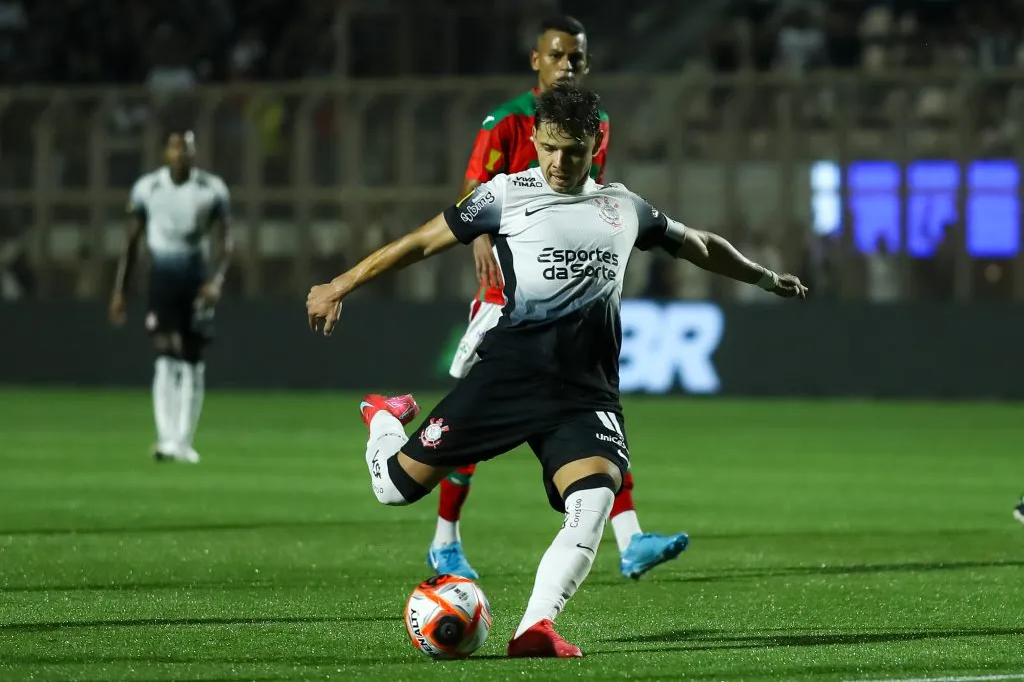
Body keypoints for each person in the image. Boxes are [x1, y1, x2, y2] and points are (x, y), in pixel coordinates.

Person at [306, 83, 807, 658]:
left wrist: (766, 278)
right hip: (508, 376)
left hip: (583, 392)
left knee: (594, 497)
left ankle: (534, 628)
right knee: (391, 490)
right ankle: (383, 415)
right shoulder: (505, 194)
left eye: (572, 150)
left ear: (596, 142)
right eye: (547, 147)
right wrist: (340, 283)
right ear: (536, 141)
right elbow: (422, 242)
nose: (558, 162)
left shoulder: (624, 207)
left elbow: (698, 244)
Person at [437, 13, 688, 583]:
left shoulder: (597, 121)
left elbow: (591, 198)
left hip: (577, 298)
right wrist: (480, 237)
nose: (566, 65)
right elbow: (472, 193)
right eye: (556, 55)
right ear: (536, 60)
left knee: (598, 414)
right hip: (508, 297)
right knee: (469, 421)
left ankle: (630, 540)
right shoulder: (505, 122)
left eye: (575, 57)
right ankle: (444, 539)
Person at [109, 131, 232, 464]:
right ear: (166, 153)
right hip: (161, 280)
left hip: (195, 280)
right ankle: (165, 440)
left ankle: (184, 441)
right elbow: (131, 243)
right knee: (164, 355)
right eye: (177, 147)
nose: (183, 154)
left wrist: (216, 282)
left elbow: (226, 240)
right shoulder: (147, 189)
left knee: (191, 358)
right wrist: (120, 290)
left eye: (189, 147)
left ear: (195, 152)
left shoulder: (212, 189)